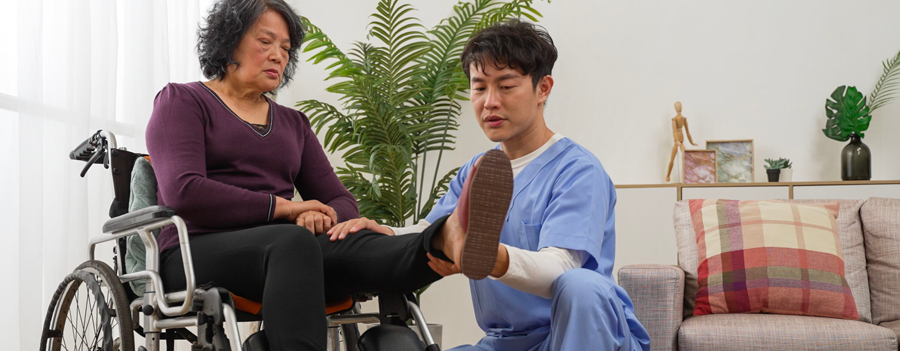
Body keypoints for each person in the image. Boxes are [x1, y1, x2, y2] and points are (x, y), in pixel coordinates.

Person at [144, 1, 513, 350]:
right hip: (193, 252)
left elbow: (341, 200)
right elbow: (184, 191)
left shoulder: (293, 123)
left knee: (362, 239)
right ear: (228, 40)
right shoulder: (182, 101)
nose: (278, 56)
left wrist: (324, 216)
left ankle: (445, 240)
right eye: (265, 42)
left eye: (286, 48)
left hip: (289, 252)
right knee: (292, 242)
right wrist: (289, 209)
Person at [328, 20, 651, 351]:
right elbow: (435, 231)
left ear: (543, 88)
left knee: (582, 285)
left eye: (506, 86)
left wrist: (489, 257)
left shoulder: (579, 170)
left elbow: (561, 267)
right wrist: (386, 234)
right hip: (506, 343)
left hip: (581, 335)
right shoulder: (477, 170)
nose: (490, 102)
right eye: (479, 88)